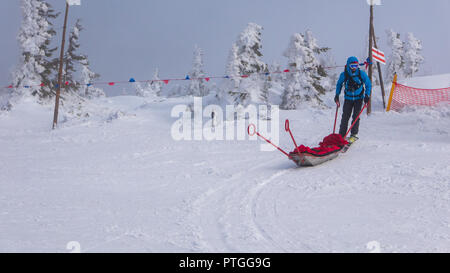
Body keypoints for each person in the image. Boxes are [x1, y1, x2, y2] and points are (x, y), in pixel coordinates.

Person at [334, 56, 372, 140]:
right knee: (345, 117)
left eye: (356, 66)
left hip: (359, 99)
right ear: (348, 65)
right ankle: (342, 135)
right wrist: (337, 94)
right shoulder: (344, 75)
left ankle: (353, 134)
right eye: (352, 66)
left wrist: (367, 95)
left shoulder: (361, 74)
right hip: (348, 99)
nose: (354, 68)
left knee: (356, 117)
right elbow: (339, 84)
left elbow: (368, 84)